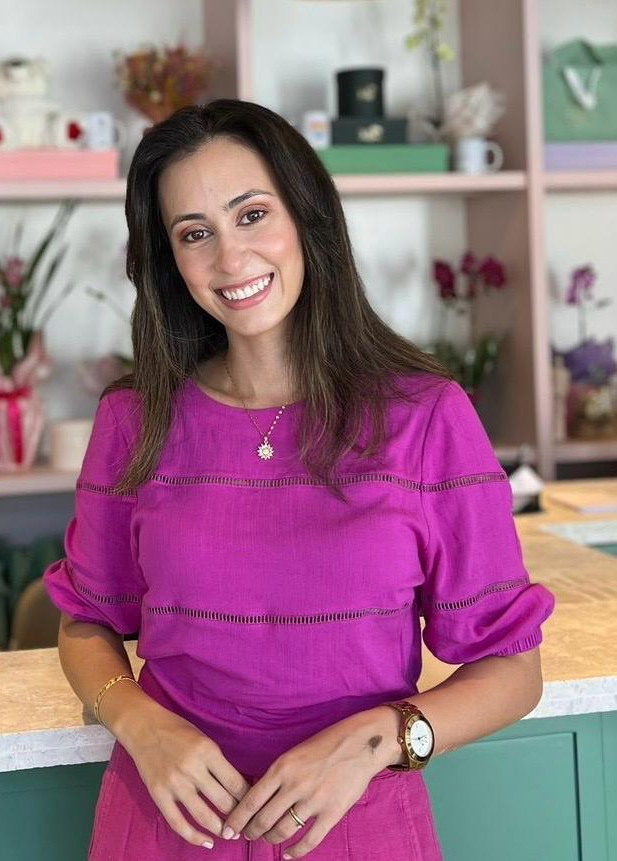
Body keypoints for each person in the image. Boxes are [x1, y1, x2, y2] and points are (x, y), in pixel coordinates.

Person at [42, 99, 556, 860]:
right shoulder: (134, 420)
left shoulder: (424, 418)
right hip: (164, 823)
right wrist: (139, 723)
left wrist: (378, 738)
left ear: (305, 217)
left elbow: (512, 667)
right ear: (170, 263)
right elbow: (86, 618)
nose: (228, 258)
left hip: (356, 825)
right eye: (194, 234)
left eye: (251, 215)